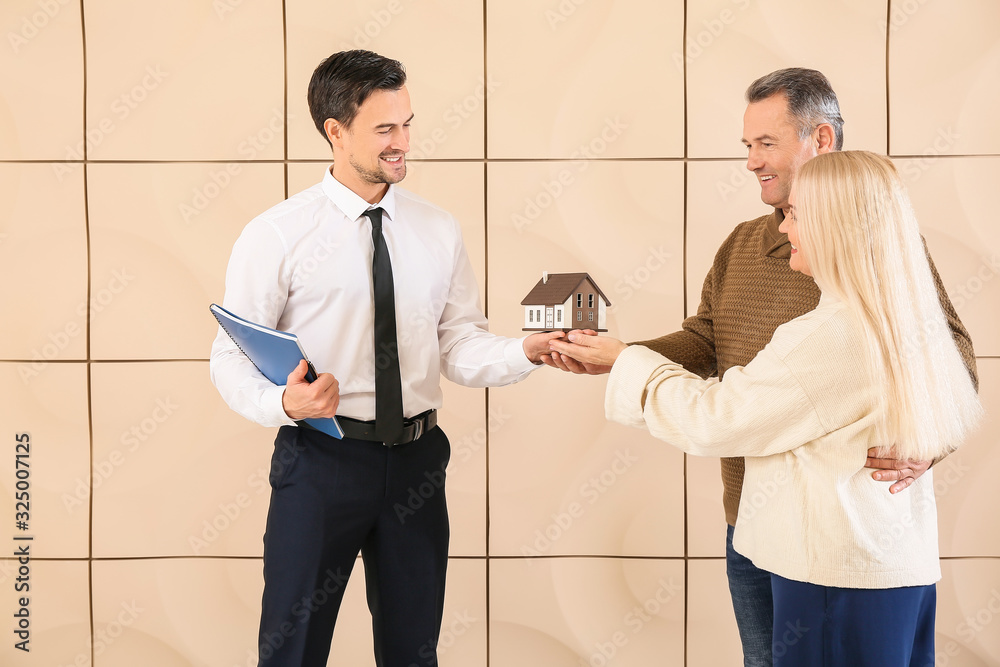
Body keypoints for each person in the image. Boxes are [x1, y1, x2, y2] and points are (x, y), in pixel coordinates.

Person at [543, 68, 978, 665]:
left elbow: (946, 358)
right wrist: (617, 359)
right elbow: (707, 337)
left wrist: (927, 443)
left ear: (820, 140)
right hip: (752, 509)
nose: (750, 161)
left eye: (764, 143)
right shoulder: (745, 242)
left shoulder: (875, 256)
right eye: (747, 145)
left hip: (832, 530)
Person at [209, 50, 562, 667]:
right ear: (335, 132)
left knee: (412, 651)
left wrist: (526, 350)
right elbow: (229, 353)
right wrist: (280, 402)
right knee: (292, 650)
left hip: (417, 464)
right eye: (384, 129)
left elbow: (458, 344)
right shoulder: (276, 234)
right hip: (321, 460)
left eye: (406, 123)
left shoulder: (438, 229)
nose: (403, 142)